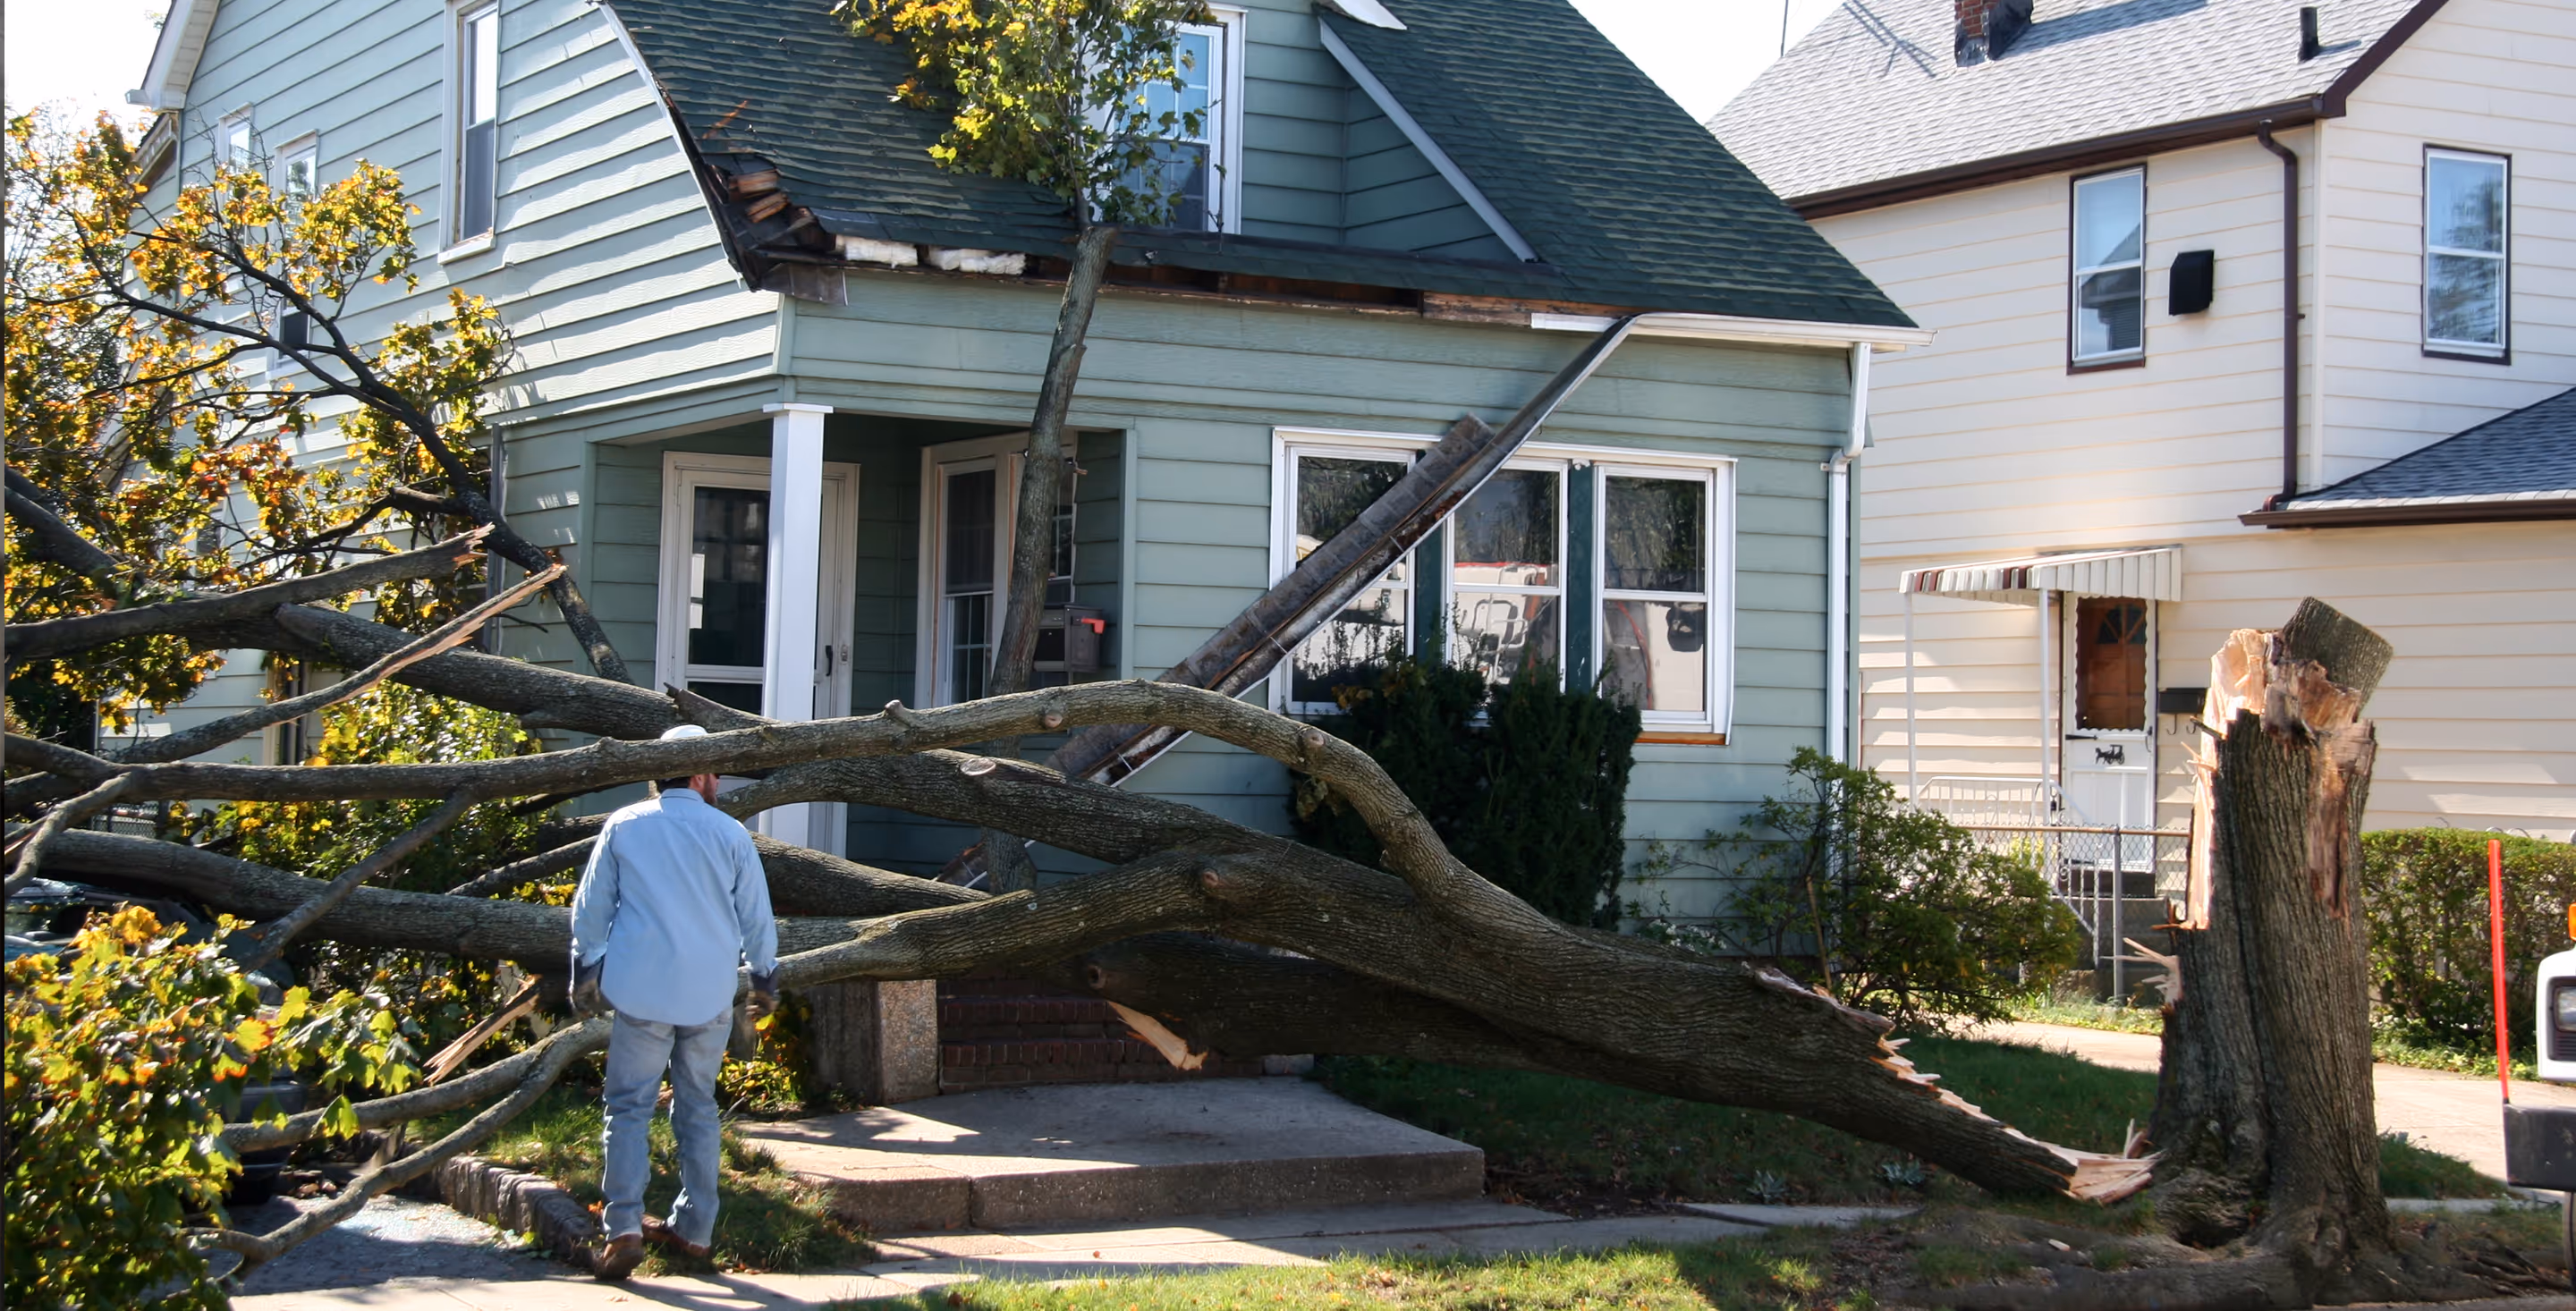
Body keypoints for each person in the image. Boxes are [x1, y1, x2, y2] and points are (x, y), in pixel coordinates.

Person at [567, 723, 778, 1281]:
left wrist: (584, 968)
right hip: (707, 991)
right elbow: (756, 916)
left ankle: (625, 1227)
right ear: (703, 774)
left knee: (629, 1107)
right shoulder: (730, 834)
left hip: (641, 989)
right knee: (698, 1107)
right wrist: (764, 978)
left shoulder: (625, 826)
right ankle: (697, 1230)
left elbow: (592, 907)